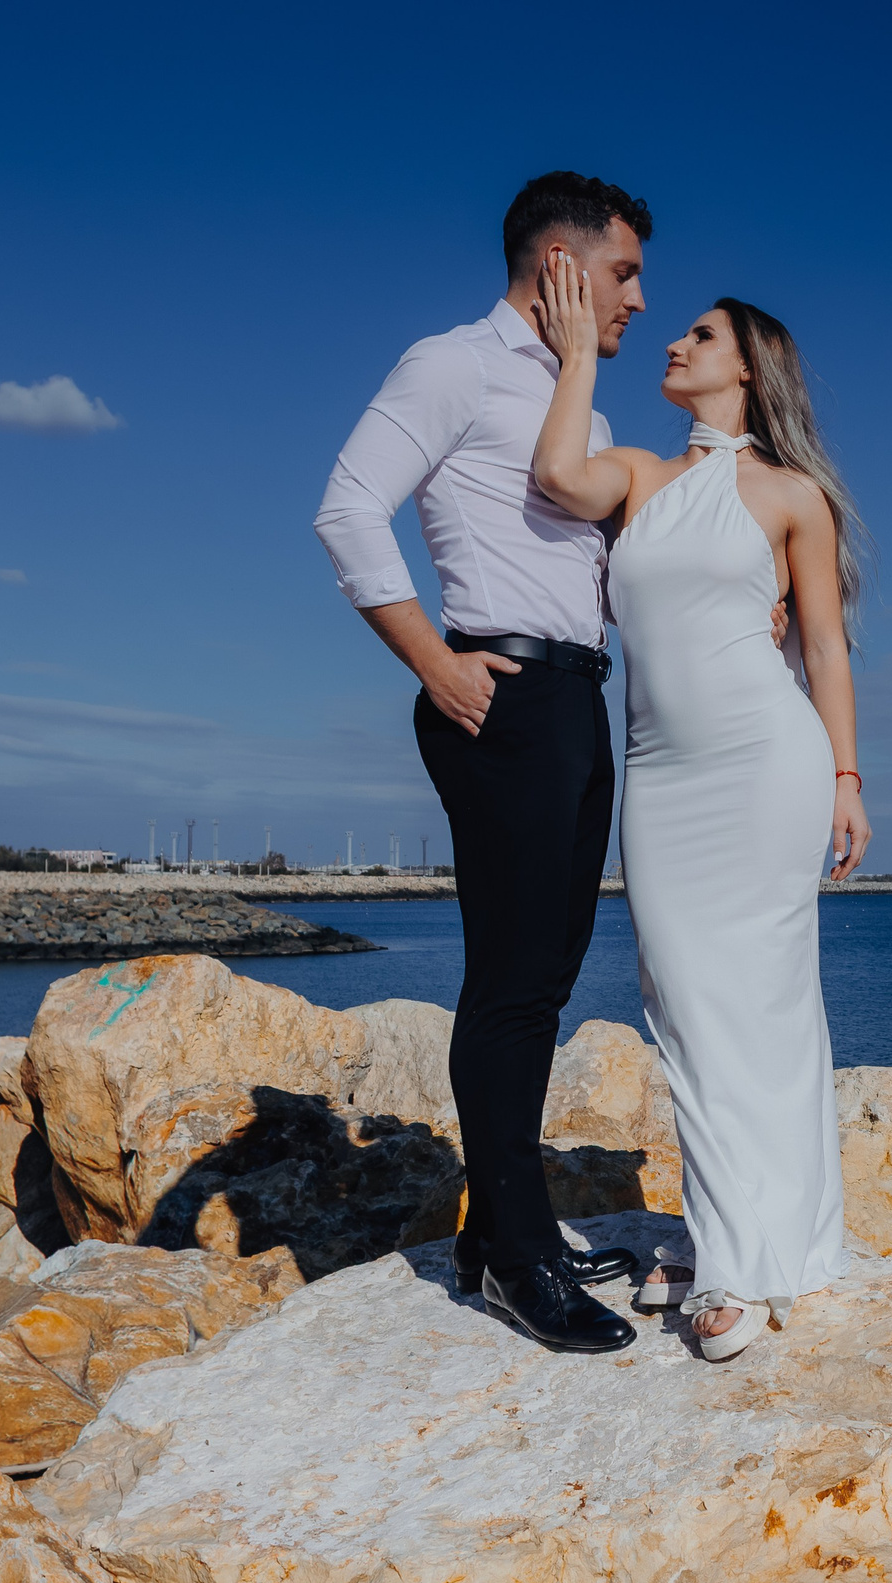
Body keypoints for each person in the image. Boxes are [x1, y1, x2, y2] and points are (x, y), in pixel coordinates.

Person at [311, 171, 658, 1353]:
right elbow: (348, 508)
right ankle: (514, 1258)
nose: (639, 300)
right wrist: (432, 663)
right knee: (511, 983)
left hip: (575, 698)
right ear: (558, 266)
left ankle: (501, 1228)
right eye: (623, 273)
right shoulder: (451, 362)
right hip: (494, 694)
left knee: (547, 980)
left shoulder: (581, 401)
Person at [527, 250, 871, 1361]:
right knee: (680, 998)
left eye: (700, 336)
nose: (672, 342)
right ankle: (747, 1230)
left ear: (750, 369)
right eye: (673, 332)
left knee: (767, 1003)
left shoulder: (792, 496)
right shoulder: (635, 473)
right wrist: (578, 354)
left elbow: (823, 644)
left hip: (768, 762)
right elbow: (552, 478)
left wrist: (847, 780)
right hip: (665, 778)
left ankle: (736, 1263)